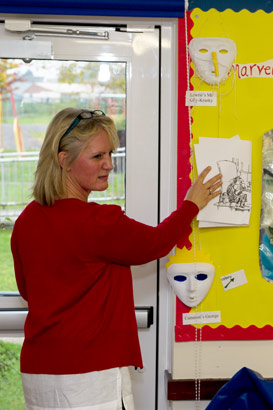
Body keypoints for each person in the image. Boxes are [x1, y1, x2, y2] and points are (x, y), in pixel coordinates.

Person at [11, 107, 222, 410]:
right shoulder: (97, 222)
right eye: (97, 156)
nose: (109, 164)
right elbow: (157, 243)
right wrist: (192, 204)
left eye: (111, 153)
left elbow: (28, 291)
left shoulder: (27, 220)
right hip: (89, 380)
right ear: (63, 160)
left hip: (39, 376)